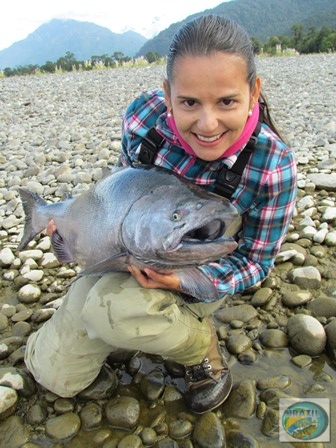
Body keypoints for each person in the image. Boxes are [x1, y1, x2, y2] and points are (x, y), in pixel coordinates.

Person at [24, 15, 297, 414]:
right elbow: (118, 189)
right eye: (188, 102)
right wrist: (71, 233)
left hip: (198, 269)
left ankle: (199, 345)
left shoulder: (273, 166)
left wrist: (182, 278)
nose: (207, 123)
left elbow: (256, 262)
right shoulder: (142, 117)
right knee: (54, 376)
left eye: (227, 101)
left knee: (115, 309)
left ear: (253, 92)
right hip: (122, 253)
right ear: (167, 94)